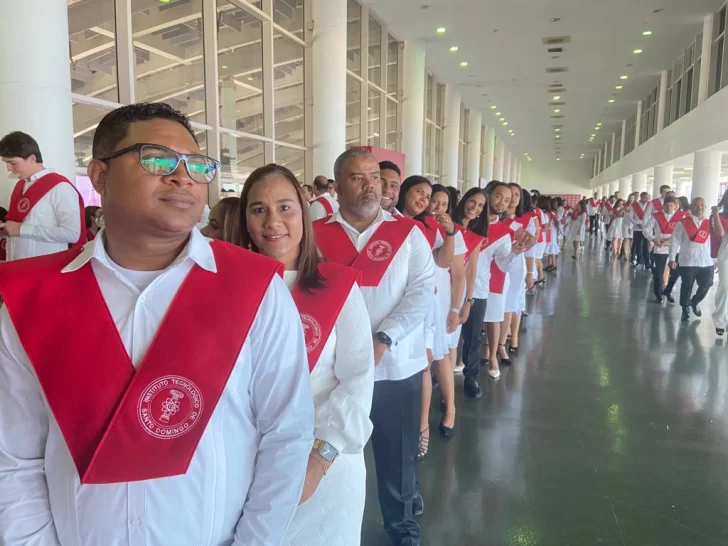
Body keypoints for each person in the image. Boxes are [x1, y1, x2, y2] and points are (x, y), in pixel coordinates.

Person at [0, 103, 315, 545]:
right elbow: (14, 460)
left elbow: (287, 435)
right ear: (100, 175)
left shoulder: (256, 290)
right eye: (158, 158)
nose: (183, 176)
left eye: (196, 164)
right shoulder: (31, 301)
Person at [237, 164, 375, 545]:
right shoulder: (229, 287)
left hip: (325, 466)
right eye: (258, 209)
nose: (273, 222)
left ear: (304, 214)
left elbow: (359, 376)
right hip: (250, 467)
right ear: (246, 221)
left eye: (285, 207)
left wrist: (319, 461)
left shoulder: (338, 286)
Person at [313, 148, 434, 546]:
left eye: (374, 178)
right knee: (332, 454)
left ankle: (402, 532)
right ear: (336, 186)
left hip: (395, 369)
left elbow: (422, 291)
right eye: (357, 178)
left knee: (396, 459)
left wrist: (383, 339)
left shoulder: (407, 234)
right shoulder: (315, 236)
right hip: (334, 375)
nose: (370, 186)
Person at [394, 176, 457, 457]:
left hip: (423, 302)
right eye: (419, 193)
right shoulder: (386, 222)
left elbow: (443, 263)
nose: (423, 199)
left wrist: (451, 233)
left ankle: (423, 427)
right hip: (394, 303)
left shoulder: (427, 227)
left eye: (427, 195)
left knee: (425, 363)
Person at [0, 131, 85, 261]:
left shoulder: (60, 187)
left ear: (32, 159)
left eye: (13, 163)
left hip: (45, 267)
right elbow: (17, 227)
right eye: (6, 163)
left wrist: (22, 229)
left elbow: (72, 233)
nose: (9, 169)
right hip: (16, 264)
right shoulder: (20, 186)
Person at [428, 184, 466, 431]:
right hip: (418, 300)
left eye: (444, 205)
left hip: (441, 302)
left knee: (441, 355)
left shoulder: (453, 233)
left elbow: (460, 275)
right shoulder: (414, 227)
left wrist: (455, 309)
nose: (438, 208)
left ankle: (450, 408)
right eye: (434, 202)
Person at [481, 183, 526, 381]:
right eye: (499, 196)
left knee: (493, 319)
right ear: (489, 195)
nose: (503, 202)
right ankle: (463, 358)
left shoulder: (506, 230)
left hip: (496, 279)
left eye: (507, 200)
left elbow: (505, 263)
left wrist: (516, 253)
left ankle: (492, 357)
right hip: (470, 280)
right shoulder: (471, 222)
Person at [453, 188, 486, 397]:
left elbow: (471, 269)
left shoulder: (476, 236)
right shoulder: (447, 226)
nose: (475, 207)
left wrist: (468, 300)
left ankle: (471, 377)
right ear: (464, 201)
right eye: (472, 202)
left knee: (472, 336)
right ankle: (439, 376)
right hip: (442, 289)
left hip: (464, 289)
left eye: (480, 205)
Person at [501, 183, 536, 355]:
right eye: (510, 195)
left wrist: (530, 273)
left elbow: (531, 247)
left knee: (515, 301)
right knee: (502, 300)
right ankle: (501, 336)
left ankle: (513, 336)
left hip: (516, 263)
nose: (513, 198)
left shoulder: (526, 219)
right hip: (499, 262)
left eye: (516, 194)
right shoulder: (497, 218)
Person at [669, 197, 714, 322]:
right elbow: (674, 242)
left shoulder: (710, 223)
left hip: (707, 260)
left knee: (707, 284)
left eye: (701, 205)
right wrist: (672, 258)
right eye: (696, 205)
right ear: (691, 206)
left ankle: (695, 301)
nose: (699, 208)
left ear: (705, 207)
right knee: (687, 286)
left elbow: (714, 242)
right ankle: (685, 308)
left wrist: (715, 259)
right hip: (688, 260)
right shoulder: (682, 223)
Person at [644, 196, 682, 304]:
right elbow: (646, 230)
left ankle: (668, 290)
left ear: (675, 207)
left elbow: (681, 234)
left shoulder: (679, 218)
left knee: (676, 272)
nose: (670, 208)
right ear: (663, 206)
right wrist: (653, 239)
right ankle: (658, 294)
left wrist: (670, 240)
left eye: (672, 206)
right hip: (660, 247)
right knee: (658, 273)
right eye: (668, 206)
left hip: (674, 248)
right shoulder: (656, 216)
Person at [711, 194, 728, 335]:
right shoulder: (720, 216)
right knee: (725, 286)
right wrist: (715, 214)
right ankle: (720, 320)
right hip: (726, 253)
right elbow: (720, 232)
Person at [629, 192, 651, 269]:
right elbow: (631, 217)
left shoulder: (650, 205)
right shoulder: (634, 206)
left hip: (647, 228)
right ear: (641, 197)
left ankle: (647, 262)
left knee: (646, 245)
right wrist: (636, 224)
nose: (647, 199)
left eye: (648, 197)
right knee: (638, 245)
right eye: (645, 197)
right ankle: (639, 260)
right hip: (637, 228)